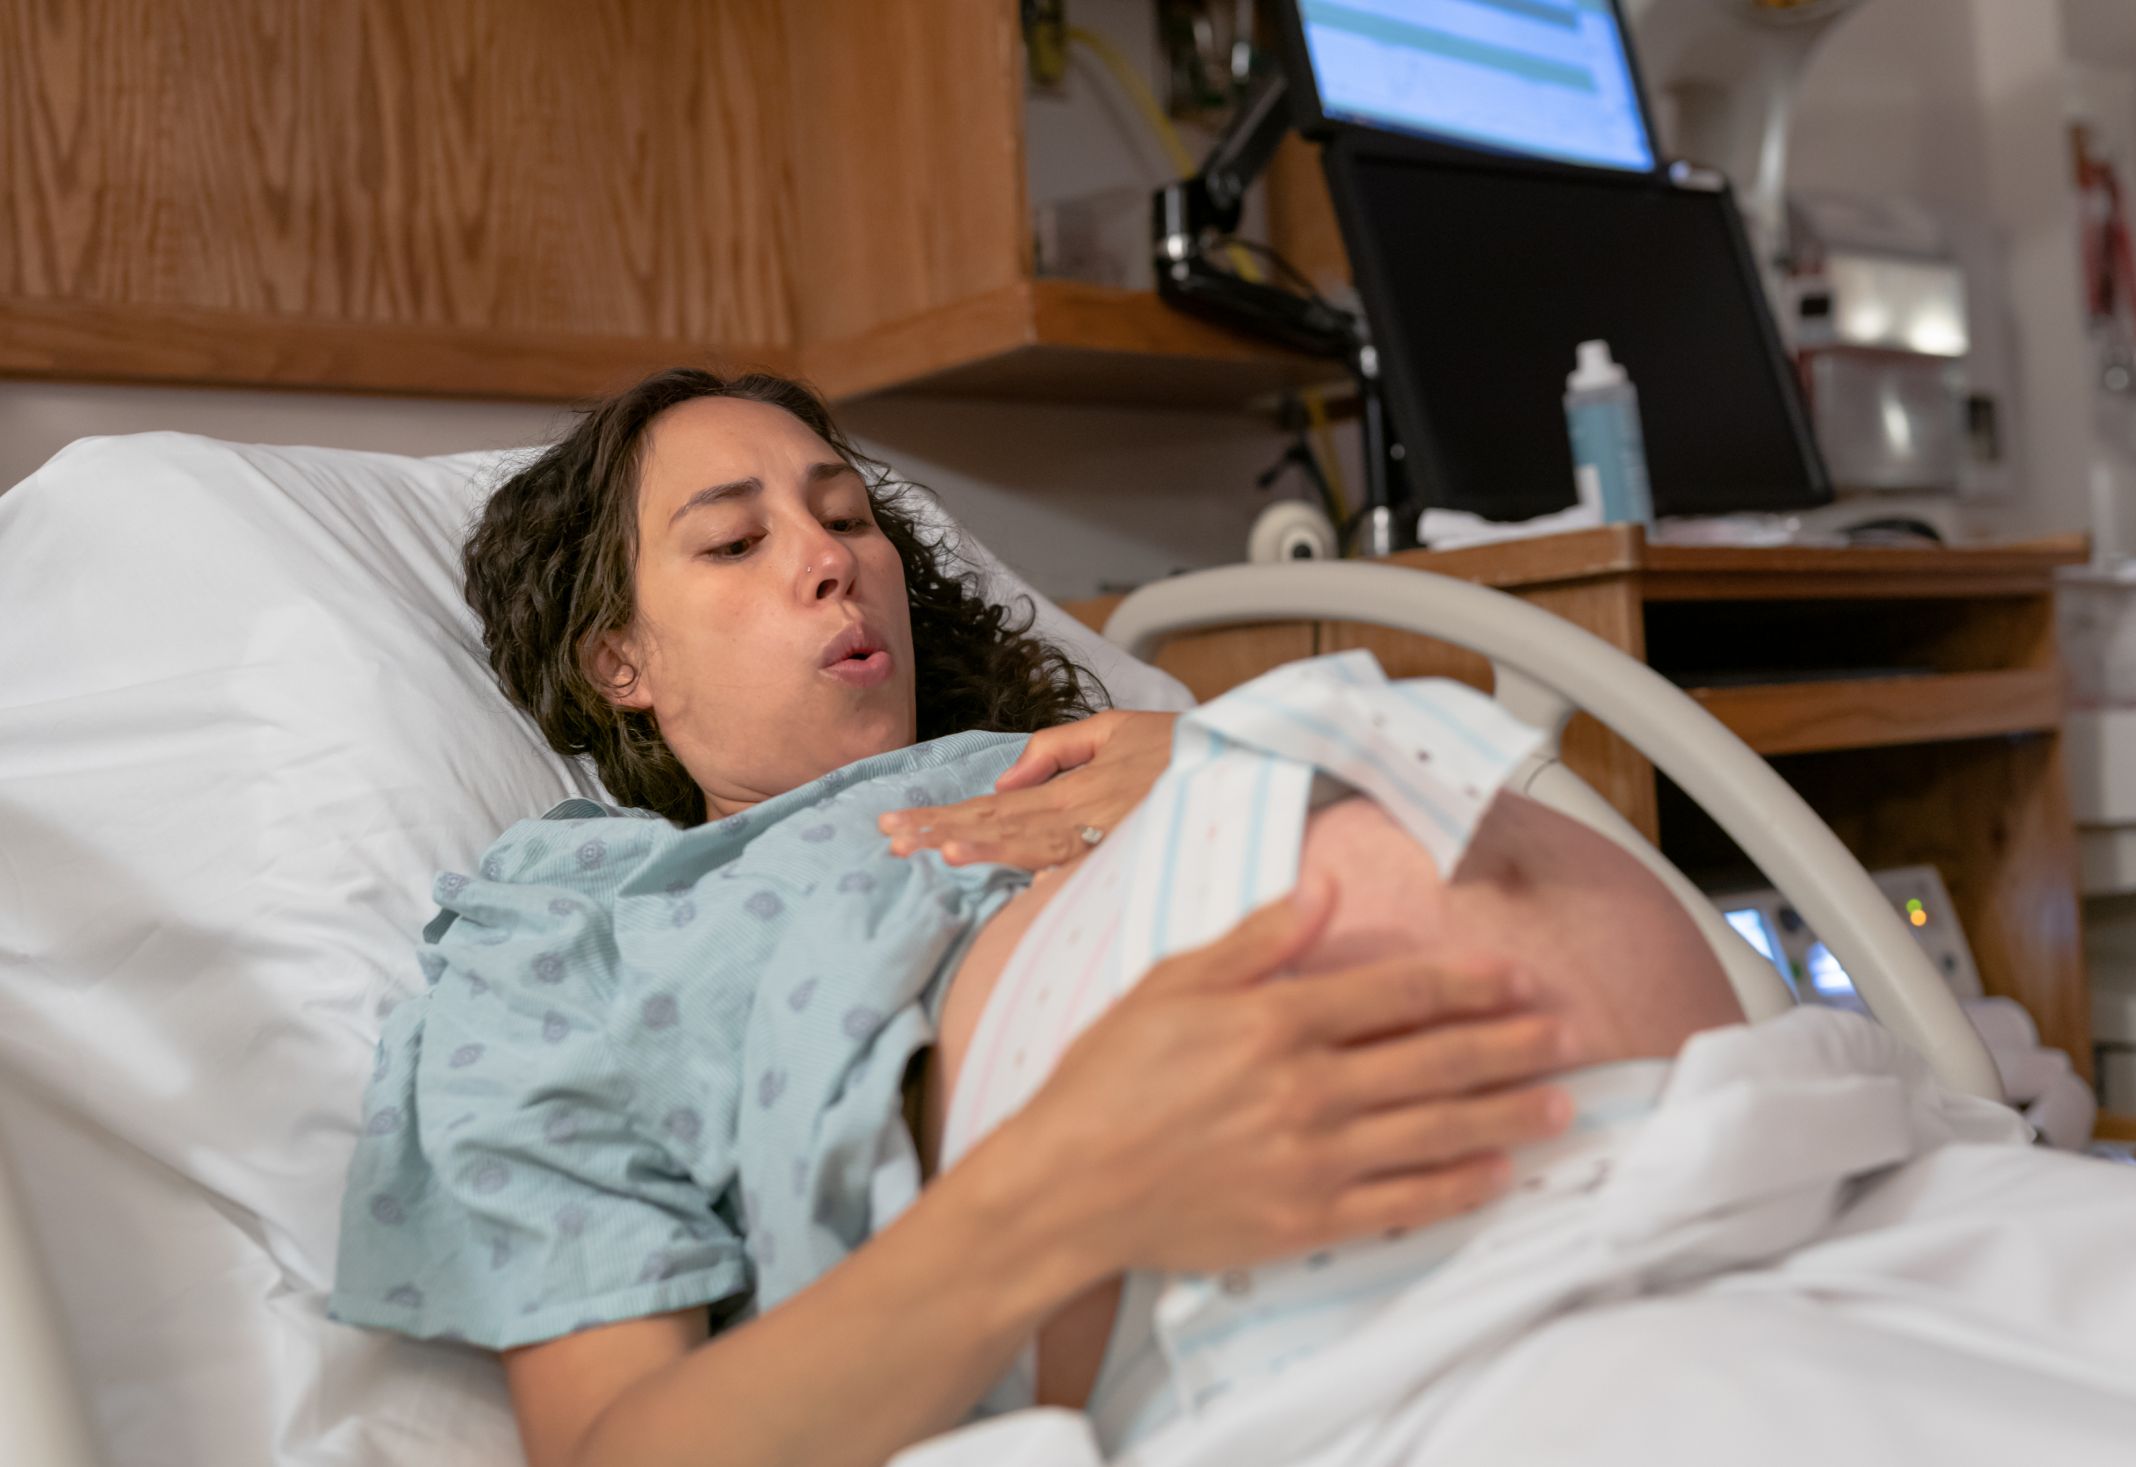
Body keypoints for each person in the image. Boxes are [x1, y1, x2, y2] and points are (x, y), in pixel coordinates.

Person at [327, 368, 1731, 1467]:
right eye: (736, 541)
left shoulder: (1088, 753)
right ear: (618, 661)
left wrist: (1224, 758)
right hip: (1320, 1307)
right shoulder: (583, 924)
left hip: (1715, 1167)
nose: (830, 559)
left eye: (849, 517)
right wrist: (1069, 1186)